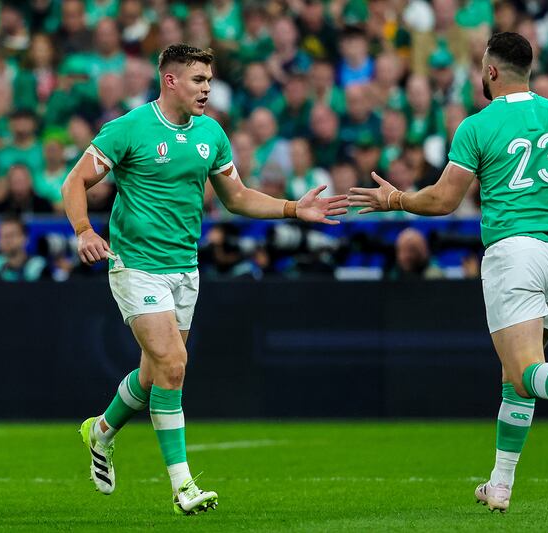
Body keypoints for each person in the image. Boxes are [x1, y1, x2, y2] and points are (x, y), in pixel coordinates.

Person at [61, 44, 347, 515]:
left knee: (156, 376)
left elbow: (236, 197)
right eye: (198, 80)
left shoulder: (211, 134)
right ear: (170, 80)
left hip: (184, 270)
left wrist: (295, 208)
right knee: (174, 364)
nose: (207, 89)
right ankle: (183, 487)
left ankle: (102, 430)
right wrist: (84, 230)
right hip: (135, 264)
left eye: (210, 81)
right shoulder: (129, 128)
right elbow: (74, 182)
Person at [348, 32, 548, 512]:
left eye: (481, 67)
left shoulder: (477, 125)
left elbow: (442, 199)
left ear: (491, 71)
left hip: (515, 254)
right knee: (516, 375)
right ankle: (500, 484)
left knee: (525, 373)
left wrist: (394, 199)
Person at [0, 216, 48, 282]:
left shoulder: (39, 267)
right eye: (1, 236)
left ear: (25, 238)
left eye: (11, 235)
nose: (5, 240)